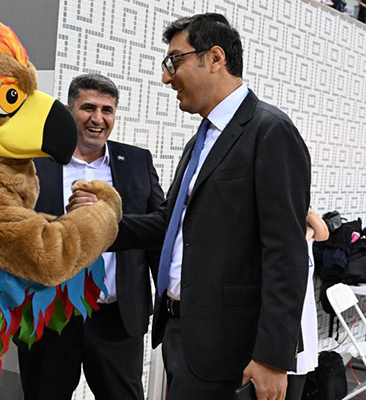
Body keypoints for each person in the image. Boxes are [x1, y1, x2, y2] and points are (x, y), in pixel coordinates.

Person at [97, 13, 312, 400]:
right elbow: (169, 224)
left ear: (214, 58)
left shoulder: (270, 131)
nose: (166, 77)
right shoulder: (201, 140)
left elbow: (286, 253)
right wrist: (95, 227)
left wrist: (272, 358)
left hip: (233, 349)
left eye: (174, 61)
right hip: (183, 337)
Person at [15, 73, 165, 400]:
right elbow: (13, 233)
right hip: (49, 314)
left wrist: (169, 303)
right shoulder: (34, 163)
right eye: (88, 108)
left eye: (107, 110)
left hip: (117, 319)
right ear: (70, 111)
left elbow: (158, 233)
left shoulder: (137, 161)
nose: (98, 118)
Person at [285, 209, 329, 400]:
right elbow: (293, 246)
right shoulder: (288, 237)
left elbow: (324, 233)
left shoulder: (307, 236)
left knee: (301, 371)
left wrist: (308, 211)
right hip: (287, 314)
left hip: (305, 314)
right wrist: (308, 232)